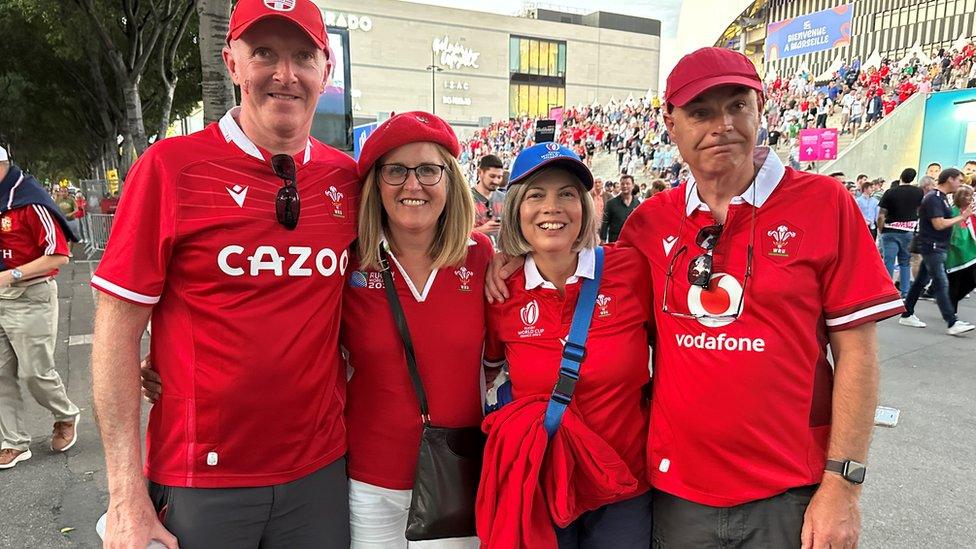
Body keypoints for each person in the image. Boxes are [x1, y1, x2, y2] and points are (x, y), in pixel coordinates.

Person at [91, 1, 358, 547]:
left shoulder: (348, 179)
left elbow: (420, 244)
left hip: (320, 472)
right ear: (231, 62)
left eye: (303, 56)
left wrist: (502, 259)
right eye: (264, 53)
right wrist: (124, 497)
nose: (285, 74)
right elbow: (115, 333)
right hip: (202, 478)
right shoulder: (169, 169)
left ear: (325, 71)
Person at [618, 48, 904, 547]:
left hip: (792, 493)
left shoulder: (823, 203)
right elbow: (592, 308)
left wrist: (843, 484)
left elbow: (857, 352)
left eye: (736, 105)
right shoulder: (647, 224)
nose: (721, 125)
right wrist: (513, 260)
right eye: (701, 112)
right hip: (678, 493)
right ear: (671, 123)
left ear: (760, 109)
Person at [480, 142, 653, 548]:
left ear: (586, 207)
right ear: (517, 208)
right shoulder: (501, 291)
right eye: (536, 194)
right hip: (543, 482)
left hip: (623, 486)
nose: (551, 207)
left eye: (567, 194)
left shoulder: (630, 270)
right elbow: (485, 376)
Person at [343, 112, 490, 548]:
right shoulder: (347, 259)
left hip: (456, 475)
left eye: (428, 169)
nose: (413, 185)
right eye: (396, 171)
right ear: (375, 183)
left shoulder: (482, 257)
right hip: (369, 479)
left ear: (450, 180)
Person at [0, 145, 80, 470]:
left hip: (30, 296)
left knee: (35, 372)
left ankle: (65, 414)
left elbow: (59, 254)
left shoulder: (29, 201)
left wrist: (11, 275)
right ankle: (13, 443)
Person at [899, 168, 975, 335]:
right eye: (959, 180)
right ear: (950, 179)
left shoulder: (940, 199)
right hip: (932, 246)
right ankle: (952, 321)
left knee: (920, 282)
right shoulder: (934, 198)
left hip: (936, 246)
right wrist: (962, 217)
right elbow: (939, 224)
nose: (960, 184)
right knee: (941, 283)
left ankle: (906, 313)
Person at [878, 168, 924, 297]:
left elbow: (881, 215)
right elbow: (920, 210)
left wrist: (881, 230)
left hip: (890, 230)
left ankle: (887, 292)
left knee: (889, 261)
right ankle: (905, 291)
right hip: (908, 230)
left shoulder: (890, 192)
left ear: (901, 176)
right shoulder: (918, 192)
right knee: (905, 263)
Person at [946, 185, 976, 313]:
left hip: (970, 254)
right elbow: (955, 237)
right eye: (969, 195)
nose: (972, 198)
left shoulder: (970, 213)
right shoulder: (954, 212)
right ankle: (951, 313)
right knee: (954, 283)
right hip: (955, 255)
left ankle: (949, 304)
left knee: (970, 281)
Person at [472, 154, 506, 240]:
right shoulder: (465, 198)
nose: (496, 181)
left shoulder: (504, 198)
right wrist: (480, 230)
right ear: (480, 172)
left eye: (499, 177)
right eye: (492, 176)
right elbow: (454, 234)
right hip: (475, 251)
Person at [599, 174, 638, 243]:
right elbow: (605, 222)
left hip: (632, 242)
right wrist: (603, 239)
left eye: (627, 184)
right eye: (622, 184)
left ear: (633, 186)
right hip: (615, 242)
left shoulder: (637, 203)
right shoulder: (611, 203)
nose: (625, 186)